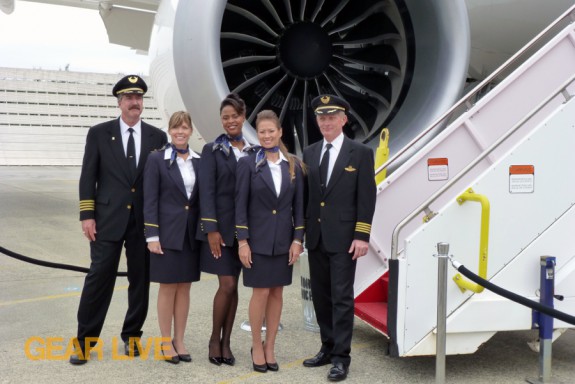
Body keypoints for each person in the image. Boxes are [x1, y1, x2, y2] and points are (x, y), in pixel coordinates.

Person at [70, 75, 168, 365]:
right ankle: (84, 342)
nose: (134, 102)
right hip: (107, 220)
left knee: (140, 281)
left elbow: (160, 183)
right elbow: (88, 176)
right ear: (119, 101)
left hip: (142, 223)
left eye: (138, 98)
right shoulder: (99, 133)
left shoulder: (156, 137)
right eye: (128, 98)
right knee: (99, 279)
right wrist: (87, 215)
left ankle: (132, 336)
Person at [302, 94, 376, 381]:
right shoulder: (309, 153)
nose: (326, 122)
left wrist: (362, 235)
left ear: (343, 119)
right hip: (318, 237)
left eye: (332, 117)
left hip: (345, 238)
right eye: (321, 117)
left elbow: (366, 198)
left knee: (342, 298)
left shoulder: (360, 153)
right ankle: (327, 347)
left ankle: (341, 358)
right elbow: (309, 198)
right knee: (321, 297)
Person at [235, 110, 305, 373]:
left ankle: (270, 346)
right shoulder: (248, 163)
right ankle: (256, 345)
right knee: (261, 292)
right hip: (257, 241)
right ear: (257, 133)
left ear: (280, 132)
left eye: (271, 131)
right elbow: (239, 205)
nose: (266, 136)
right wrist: (242, 241)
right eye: (262, 132)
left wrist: (298, 239)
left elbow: (298, 208)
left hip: (284, 241)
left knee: (277, 292)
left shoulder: (293, 165)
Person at [198, 93, 258, 366]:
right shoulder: (212, 150)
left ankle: (226, 342)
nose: (230, 121)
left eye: (235, 116)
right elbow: (206, 192)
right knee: (227, 284)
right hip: (220, 231)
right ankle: (214, 339)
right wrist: (211, 228)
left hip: (244, 232)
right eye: (226, 117)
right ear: (221, 120)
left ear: (243, 117)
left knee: (234, 289)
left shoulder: (254, 150)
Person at [143, 111, 200, 364]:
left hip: (189, 236)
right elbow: (150, 199)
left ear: (190, 131)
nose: (180, 132)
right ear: (169, 130)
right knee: (167, 288)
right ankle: (165, 341)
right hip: (165, 235)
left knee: (184, 287)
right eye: (176, 127)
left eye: (185, 127)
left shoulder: (199, 160)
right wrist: (152, 235)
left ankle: (180, 339)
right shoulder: (157, 159)